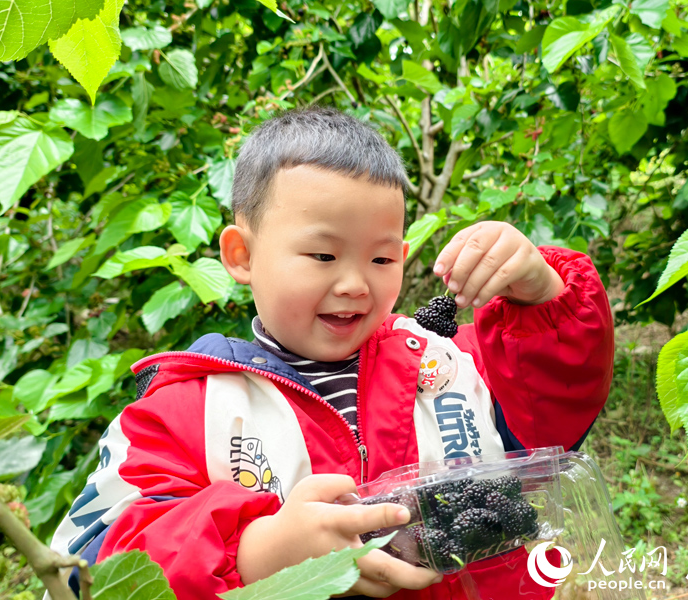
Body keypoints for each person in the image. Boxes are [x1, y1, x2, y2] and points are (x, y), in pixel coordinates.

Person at [49, 106, 614, 599]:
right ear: (242, 255)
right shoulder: (187, 412)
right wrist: (258, 553)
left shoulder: (447, 368)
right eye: (323, 256)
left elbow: (548, 410)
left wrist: (542, 294)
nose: (355, 285)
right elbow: (91, 560)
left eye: (382, 259)